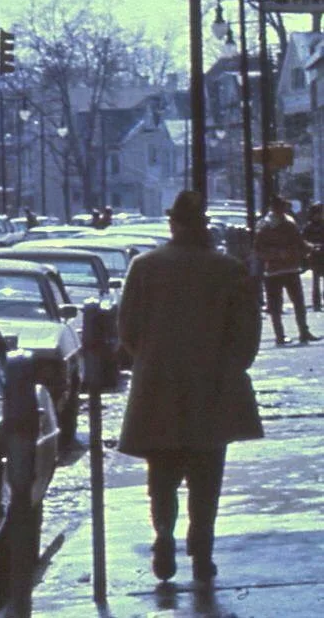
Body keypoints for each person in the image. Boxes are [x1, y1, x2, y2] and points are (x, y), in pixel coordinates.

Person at [118, 190, 263, 584]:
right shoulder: (227, 269)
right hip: (212, 386)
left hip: (159, 387)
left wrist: (151, 359)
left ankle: (164, 533)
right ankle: (202, 549)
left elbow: (127, 329)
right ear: (203, 225)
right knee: (207, 476)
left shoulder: (145, 267)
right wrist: (230, 367)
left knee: (161, 474)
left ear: (173, 224)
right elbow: (247, 332)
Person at [254, 197, 316, 345]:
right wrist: (306, 249)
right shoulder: (279, 224)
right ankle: (297, 333)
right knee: (292, 303)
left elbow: (259, 249)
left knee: (281, 305)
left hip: (278, 269)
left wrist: (308, 248)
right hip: (284, 268)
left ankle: (286, 334)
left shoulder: (266, 224)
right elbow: (259, 249)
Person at [302, 203, 324, 313]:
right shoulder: (308, 227)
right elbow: (303, 240)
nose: (318, 216)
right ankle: (316, 303)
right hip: (315, 257)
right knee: (316, 281)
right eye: (317, 213)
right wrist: (312, 246)